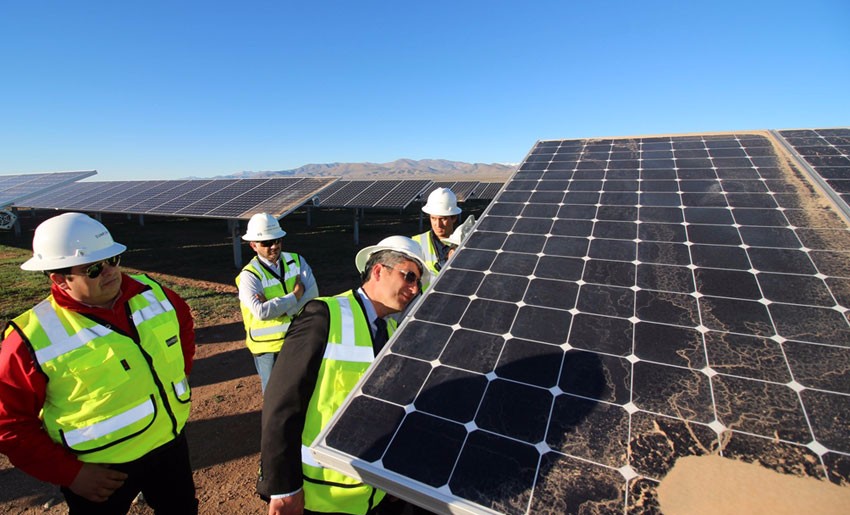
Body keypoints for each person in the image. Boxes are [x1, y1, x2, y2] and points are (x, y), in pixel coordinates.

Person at [0, 212, 198, 514]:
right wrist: (71, 475)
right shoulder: (30, 339)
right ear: (59, 279)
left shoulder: (154, 293)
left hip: (169, 445)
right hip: (99, 471)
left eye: (113, 260)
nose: (109, 272)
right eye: (93, 268)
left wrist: (177, 377)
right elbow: (8, 424)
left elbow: (182, 327)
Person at [257, 235, 428, 515]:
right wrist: (283, 487)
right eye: (409, 276)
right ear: (378, 270)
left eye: (417, 281)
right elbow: (281, 405)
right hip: (323, 498)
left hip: (373, 495)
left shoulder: (393, 333)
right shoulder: (324, 315)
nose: (414, 288)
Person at [236, 212, 319, 393]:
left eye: (278, 240)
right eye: (266, 243)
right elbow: (262, 312)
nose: (274, 246)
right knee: (275, 394)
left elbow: (312, 295)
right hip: (268, 347)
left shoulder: (297, 261)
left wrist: (280, 309)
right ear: (253, 245)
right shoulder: (249, 276)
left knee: (300, 388)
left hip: (297, 338)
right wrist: (295, 296)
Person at [412, 187, 461, 291]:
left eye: (443, 219)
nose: (437, 225)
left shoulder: (467, 243)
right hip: (424, 303)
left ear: (454, 218)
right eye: (433, 218)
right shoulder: (416, 243)